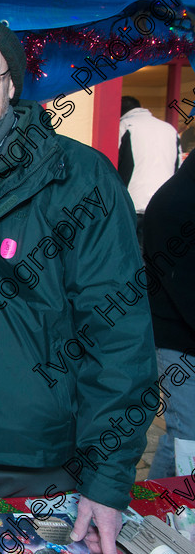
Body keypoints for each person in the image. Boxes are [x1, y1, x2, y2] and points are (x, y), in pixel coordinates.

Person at [0, 14, 155, 554]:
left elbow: (118, 336)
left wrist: (108, 478)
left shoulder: (79, 177)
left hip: (35, 462)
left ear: (13, 83)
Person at [144, 151, 195, 479]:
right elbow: (184, 285)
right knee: (187, 434)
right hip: (178, 336)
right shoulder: (176, 201)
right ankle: (157, 511)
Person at [118, 96, 180, 246]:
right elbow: (178, 167)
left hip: (133, 204)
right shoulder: (170, 129)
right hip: (163, 205)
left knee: (133, 256)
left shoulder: (124, 126)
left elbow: (112, 165)